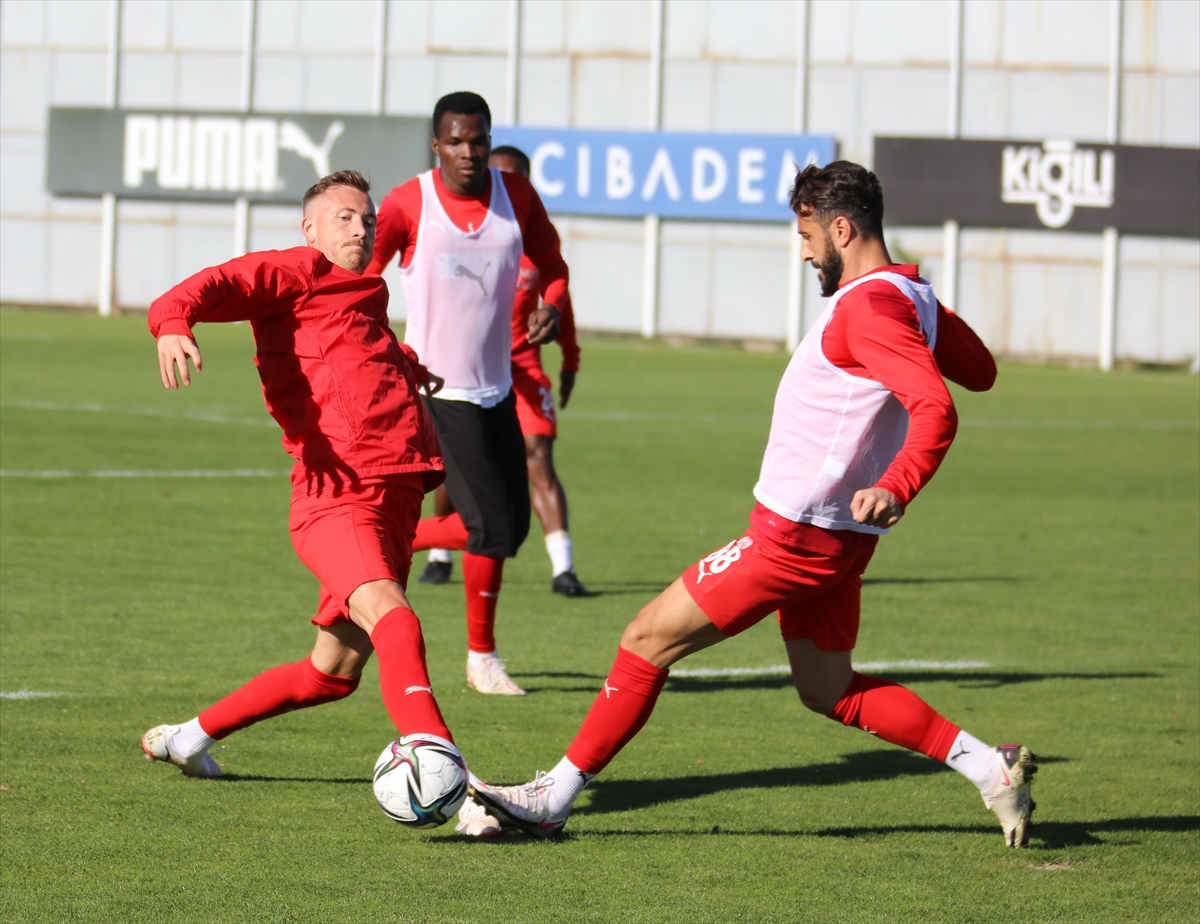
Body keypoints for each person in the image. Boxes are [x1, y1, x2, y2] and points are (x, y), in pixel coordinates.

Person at [470, 161, 1039, 848]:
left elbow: (938, 405)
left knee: (645, 639)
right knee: (828, 689)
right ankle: (990, 767)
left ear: (841, 227)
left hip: (794, 538)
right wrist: (927, 312)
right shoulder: (906, 296)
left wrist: (898, 482)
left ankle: (551, 796)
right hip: (837, 538)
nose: (803, 252)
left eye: (806, 236)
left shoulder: (872, 306)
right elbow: (980, 370)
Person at [139, 169, 499, 836]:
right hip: (338, 499)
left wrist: (408, 367)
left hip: (392, 498)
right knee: (398, 622)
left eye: (364, 218)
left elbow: (350, 357)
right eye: (342, 217)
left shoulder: (364, 296)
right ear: (310, 228)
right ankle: (449, 776)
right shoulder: (295, 270)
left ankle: (189, 737)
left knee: (331, 674)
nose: (359, 228)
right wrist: (172, 321)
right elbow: (213, 284)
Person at [367, 93, 571, 696]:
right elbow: (360, 282)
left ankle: (387, 540)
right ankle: (481, 658)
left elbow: (553, 265)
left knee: (508, 531)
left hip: (497, 387)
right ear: (437, 145)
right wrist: (388, 354)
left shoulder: (518, 196)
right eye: (455, 141)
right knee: (486, 526)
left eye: (477, 140)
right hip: (435, 390)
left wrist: (551, 310)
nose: (468, 152)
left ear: (489, 140)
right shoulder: (410, 202)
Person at [420, 145, 588, 598]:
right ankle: (438, 553)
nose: (508, 189)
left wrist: (569, 356)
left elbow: (560, 300)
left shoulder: (531, 243)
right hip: (465, 371)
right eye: (501, 178)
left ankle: (563, 568)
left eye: (519, 180)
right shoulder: (461, 240)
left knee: (539, 457)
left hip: (523, 369)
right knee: (457, 466)